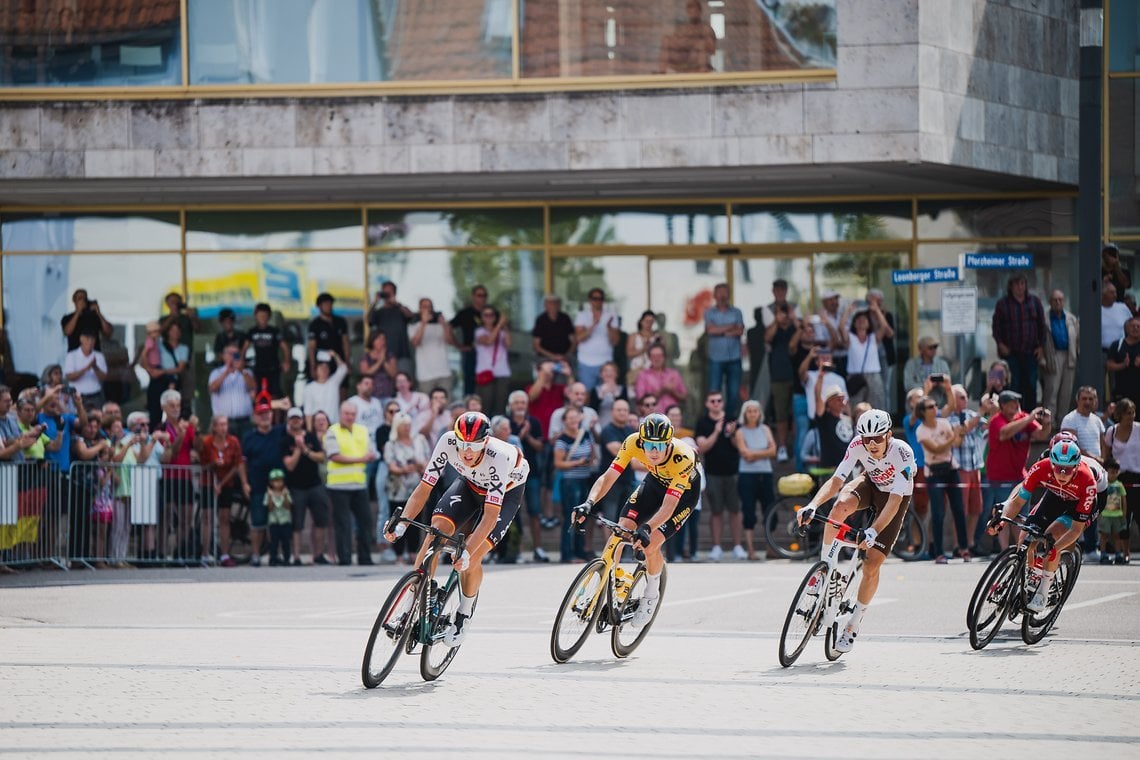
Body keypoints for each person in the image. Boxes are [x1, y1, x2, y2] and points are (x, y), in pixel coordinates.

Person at [384, 412, 531, 647]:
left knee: (472, 557)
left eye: (474, 446)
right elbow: (424, 488)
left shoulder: (500, 456)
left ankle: (464, 613)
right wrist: (403, 522)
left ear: (485, 442)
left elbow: (491, 516)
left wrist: (466, 552)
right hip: (469, 485)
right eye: (463, 445)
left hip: (506, 494)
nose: (467, 452)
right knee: (435, 532)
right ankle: (412, 602)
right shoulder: (446, 441)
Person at [795, 410, 916, 653]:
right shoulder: (858, 445)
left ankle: (854, 623)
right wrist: (812, 505)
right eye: (866, 439)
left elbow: (893, 502)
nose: (871, 444)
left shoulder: (902, 453)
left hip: (894, 498)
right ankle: (825, 570)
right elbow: (836, 481)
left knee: (871, 566)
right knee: (839, 507)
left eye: (877, 439)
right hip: (871, 483)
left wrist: (873, 530)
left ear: (889, 436)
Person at [570, 412, 701, 628]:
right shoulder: (632, 442)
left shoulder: (683, 456)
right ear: (642, 440)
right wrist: (589, 503)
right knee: (621, 531)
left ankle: (651, 595)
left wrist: (648, 528)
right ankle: (606, 582)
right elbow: (608, 477)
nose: (654, 451)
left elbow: (669, 505)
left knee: (650, 545)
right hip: (654, 484)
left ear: (670, 442)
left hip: (682, 496)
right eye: (649, 445)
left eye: (660, 445)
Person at [986, 440, 1098, 612]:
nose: (1061, 473)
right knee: (1024, 537)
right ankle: (1028, 576)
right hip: (1054, 498)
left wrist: (1056, 549)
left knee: (1051, 540)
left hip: (1074, 507)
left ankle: (1043, 592)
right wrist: (1002, 520)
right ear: (1051, 463)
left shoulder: (1088, 481)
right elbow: (1017, 502)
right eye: (1058, 467)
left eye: (1067, 469)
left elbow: (1076, 530)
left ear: (1076, 467)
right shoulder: (1041, 467)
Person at [985, 390, 1054, 550]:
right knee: (1004, 514)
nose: (1016, 406)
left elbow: (1041, 434)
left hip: (1020, 476)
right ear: (1002, 405)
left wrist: (1047, 422)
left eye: (1017, 402)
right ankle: (1003, 550)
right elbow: (1004, 433)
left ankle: (1019, 548)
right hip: (1000, 477)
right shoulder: (997, 420)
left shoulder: (1023, 417)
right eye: (1011, 403)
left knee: (1022, 516)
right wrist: (1029, 418)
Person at [915, 394, 970, 563]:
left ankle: (963, 548)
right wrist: (954, 436)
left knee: (959, 510)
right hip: (934, 472)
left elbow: (956, 444)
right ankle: (938, 552)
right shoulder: (921, 430)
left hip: (951, 468)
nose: (935, 408)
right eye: (930, 406)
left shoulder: (944, 423)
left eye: (935, 405)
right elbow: (936, 449)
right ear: (922, 412)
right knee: (938, 512)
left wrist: (960, 434)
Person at [325, 401, 378, 566]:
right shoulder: (332, 431)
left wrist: (370, 456)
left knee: (365, 522)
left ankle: (365, 557)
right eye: (346, 413)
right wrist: (362, 459)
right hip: (338, 486)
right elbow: (334, 456)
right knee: (343, 524)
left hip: (359, 484)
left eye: (352, 414)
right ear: (340, 414)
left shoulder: (362, 430)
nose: (349, 417)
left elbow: (371, 452)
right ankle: (345, 559)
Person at [695, 390, 743, 561]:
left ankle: (738, 546)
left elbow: (740, 446)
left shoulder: (732, 419)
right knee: (716, 512)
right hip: (713, 473)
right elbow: (702, 448)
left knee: (735, 510)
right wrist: (716, 431)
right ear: (707, 404)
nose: (716, 403)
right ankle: (716, 547)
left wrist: (731, 434)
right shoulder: (703, 423)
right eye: (712, 401)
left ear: (722, 402)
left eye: (719, 400)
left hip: (733, 472)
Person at [281, 406, 331, 565]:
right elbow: (289, 465)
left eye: (298, 418)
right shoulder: (284, 440)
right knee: (297, 523)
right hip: (295, 487)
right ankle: (296, 557)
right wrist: (298, 448)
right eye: (292, 419)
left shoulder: (310, 436)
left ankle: (318, 555)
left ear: (302, 420)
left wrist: (305, 449)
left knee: (321, 520)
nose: (296, 421)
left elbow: (321, 457)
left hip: (315, 484)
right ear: (288, 421)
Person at [241, 401, 287, 566]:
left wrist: (282, 406)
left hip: (279, 487)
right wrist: (245, 482)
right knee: (258, 523)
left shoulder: (280, 432)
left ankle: (278, 554)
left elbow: (295, 423)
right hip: (258, 484)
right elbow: (242, 462)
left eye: (267, 413)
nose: (265, 417)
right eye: (261, 414)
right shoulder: (249, 437)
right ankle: (256, 555)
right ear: (255, 417)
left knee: (279, 521)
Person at [196, 414, 244, 567]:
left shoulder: (233, 442)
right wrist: (214, 464)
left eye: (226, 424)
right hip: (207, 483)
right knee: (207, 518)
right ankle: (205, 554)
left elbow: (237, 464)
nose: (224, 428)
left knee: (224, 518)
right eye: (220, 425)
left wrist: (221, 484)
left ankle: (224, 554)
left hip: (226, 484)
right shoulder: (207, 442)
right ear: (214, 427)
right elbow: (202, 466)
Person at [383, 411, 431, 563]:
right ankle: (398, 554)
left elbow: (427, 460)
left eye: (409, 425)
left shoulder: (420, 440)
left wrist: (420, 466)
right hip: (398, 488)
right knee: (397, 519)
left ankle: (412, 552)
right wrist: (404, 469)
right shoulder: (391, 444)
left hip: (416, 485)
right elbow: (391, 465)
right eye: (403, 426)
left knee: (415, 520)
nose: (407, 428)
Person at [992, 274, 1046, 408]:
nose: (1020, 287)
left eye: (1022, 284)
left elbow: (1042, 325)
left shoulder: (1034, 302)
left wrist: (1041, 347)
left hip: (1031, 352)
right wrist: (1000, 344)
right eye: (1016, 284)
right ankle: (1014, 416)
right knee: (1014, 386)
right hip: (1011, 353)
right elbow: (996, 327)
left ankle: (1031, 418)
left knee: (1031, 385)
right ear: (1011, 286)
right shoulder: (1003, 304)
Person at [507, 390, 548, 562]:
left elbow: (540, 446)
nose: (520, 406)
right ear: (510, 405)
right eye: (516, 403)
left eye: (522, 403)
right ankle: (517, 550)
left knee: (534, 511)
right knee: (513, 512)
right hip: (511, 474)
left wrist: (528, 435)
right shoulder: (506, 423)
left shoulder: (534, 422)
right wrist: (520, 435)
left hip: (532, 473)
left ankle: (537, 548)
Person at [947, 384, 986, 555]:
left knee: (976, 508)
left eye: (965, 396)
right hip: (960, 468)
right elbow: (962, 430)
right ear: (953, 400)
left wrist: (992, 406)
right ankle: (958, 545)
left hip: (974, 466)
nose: (966, 400)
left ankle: (969, 543)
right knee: (959, 509)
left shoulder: (972, 415)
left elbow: (987, 426)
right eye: (962, 397)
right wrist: (981, 412)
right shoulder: (949, 418)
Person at [554, 406, 597, 562]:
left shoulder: (585, 434)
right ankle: (567, 554)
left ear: (580, 418)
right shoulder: (561, 440)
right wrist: (578, 462)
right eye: (570, 418)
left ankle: (580, 552)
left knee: (583, 517)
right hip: (570, 482)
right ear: (564, 421)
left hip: (585, 479)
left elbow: (593, 453)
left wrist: (590, 461)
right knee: (569, 517)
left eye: (575, 417)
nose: (573, 421)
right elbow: (558, 463)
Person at [734, 399, 775, 561]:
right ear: (745, 413)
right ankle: (750, 549)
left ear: (759, 413)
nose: (752, 414)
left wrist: (754, 454)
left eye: (755, 411)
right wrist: (763, 452)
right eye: (749, 411)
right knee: (748, 512)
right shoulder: (740, 432)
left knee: (770, 510)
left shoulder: (765, 429)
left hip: (765, 474)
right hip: (747, 475)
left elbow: (773, 451)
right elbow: (745, 454)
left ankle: (770, 547)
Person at [764, 303, 801, 463]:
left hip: (797, 376)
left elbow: (801, 337)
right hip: (779, 376)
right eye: (781, 312)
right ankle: (782, 446)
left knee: (797, 414)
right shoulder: (775, 328)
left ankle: (797, 447)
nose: (785, 315)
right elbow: (767, 338)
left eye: (786, 312)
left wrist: (795, 321)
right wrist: (776, 321)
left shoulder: (796, 327)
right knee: (781, 415)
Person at [704, 283, 745, 417]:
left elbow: (739, 331)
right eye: (719, 292)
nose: (722, 295)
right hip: (715, 358)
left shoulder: (737, 312)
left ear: (729, 294)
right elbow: (710, 330)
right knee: (714, 392)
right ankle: (713, 419)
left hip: (734, 358)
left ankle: (728, 420)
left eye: (725, 292)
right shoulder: (709, 312)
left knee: (733, 393)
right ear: (715, 295)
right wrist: (729, 327)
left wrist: (719, 330)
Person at [1041, 289, 1079, 419]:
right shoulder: (1044, 318)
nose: (1057, 302)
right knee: (1051, 391)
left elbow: (1078, 339)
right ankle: (1048, 424)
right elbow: (1039, 340)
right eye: (1054, 300)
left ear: (1064, 301)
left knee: (1066, 393)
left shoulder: (1071, 318)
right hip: (1052, 355)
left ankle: (1063, 422)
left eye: (1060, 300)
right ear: (1050, 302)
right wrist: (1042, 359)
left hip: (1069, 356)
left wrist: (1076, 354)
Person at [844, 307, 890, 411]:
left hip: (874, 376)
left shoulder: (873, 338)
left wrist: (877, 310)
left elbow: (884, 326)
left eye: (864, 320)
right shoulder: (851, 338)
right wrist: (848, 312)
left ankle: (878, 427)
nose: (861, 322)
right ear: (854, 323)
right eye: (858, 320)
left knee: (877, 406)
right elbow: (841, 328)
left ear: (869, 323)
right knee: (856, 406)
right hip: (855, 377)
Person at [574, 288, 620, 391]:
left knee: (606, 394)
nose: (598, 301)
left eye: (600, 298)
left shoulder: (611, 316)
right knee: (586, 394)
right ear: (590, 300)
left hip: (606, 362)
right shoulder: (582, 315)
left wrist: (608, 327)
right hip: (586, 362)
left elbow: (615, 341)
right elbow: (579, 338)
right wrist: (594, 324)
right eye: (595, 298)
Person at [242, 303, 291, 399]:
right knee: (259, 393)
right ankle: (262, 413)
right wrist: (241, 362)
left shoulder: (274, 331)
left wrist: (287, 362)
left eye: (265, 316)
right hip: (258, 367)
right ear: (256, 316)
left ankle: (276, 413)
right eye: (260, 316)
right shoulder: (252, 331)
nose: (262, 318)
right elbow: (244, 348)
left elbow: (285, 347)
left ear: (269, 317)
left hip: (273, 367)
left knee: (275, 393)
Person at [207, 345, 254, 440]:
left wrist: (241, 369)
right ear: (224, 356)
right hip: (223, 422)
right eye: (230, 354)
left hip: (244, 421)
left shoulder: (246, 372)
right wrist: (226, 373)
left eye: (235, 354)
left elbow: (253, 387)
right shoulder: (216, 373)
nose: (233, 357)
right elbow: (212, 389)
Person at [367, 281, 414, 376]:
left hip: (402, 354)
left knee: (405, 382)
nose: (387, 295)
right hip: (385, 355)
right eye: (385, 293)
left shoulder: (400, 309)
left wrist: (396, 303)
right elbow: (369, 320)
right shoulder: (379, 312)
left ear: (394, 293)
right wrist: (375, 302)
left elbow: (410, 316)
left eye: (390, 292)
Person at [658, 0, 717, 73]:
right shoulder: (682, 28)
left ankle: (702, 77)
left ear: (700, 11)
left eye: (695, 9)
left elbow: (712, 50)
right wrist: (683, 42)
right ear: (687, 12)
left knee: (701, 45)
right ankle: (662, 73)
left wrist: (696, 42)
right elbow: (674, 43)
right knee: (666, 40)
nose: (693, 12)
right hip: (682, 61)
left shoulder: (706, 29)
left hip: (698, 63)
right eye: (690, 10)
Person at [409, 297, 454, 392]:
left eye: (430, 306)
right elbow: (416, 342)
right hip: (425, 375)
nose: (428, 309)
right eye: (425, 306)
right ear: (420, 309)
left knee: (445, 405)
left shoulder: (440, 325)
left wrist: (444, 325)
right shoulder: (413, 325)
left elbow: (449, 342)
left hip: (444, 373)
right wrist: (424, 322)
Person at [450, 285, 489, 396]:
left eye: (485, 295)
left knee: (487, 388)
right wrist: (458, 346)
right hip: (471, 352)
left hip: (489, 355)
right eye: (480, 295)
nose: (482, 298)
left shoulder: (490, 313)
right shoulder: (465, 313)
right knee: (470, 386)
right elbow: (449, 327)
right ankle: (469, 412)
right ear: (473, 297)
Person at [474, 305, 512, 416]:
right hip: (485, 372)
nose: (489, 317)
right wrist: (500, 324)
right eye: (486, 315)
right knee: (485, 406)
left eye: (492, 315)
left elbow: (509, 344)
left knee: (500, 407)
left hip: (502, 372)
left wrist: (504, 326)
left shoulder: (502, 332)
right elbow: (489, 341)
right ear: (482, 317)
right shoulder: (479, 331)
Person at [634, 344, 688, 414]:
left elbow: (684, 397)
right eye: (653, 356)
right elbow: (640, 401)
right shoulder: (642, 376)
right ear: (649, 358)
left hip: (672, 418)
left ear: (664, 357)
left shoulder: (674, 374)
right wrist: (662, 391)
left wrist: (673, 392)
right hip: (652, 418)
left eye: (659, 356)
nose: (657, 359)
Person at [307, 292, 351, 377]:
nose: (328, 306)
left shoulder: (340, 322)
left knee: (342, 386)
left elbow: (345, 342)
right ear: (319, 306)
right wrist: (312, 366)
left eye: (330, 304)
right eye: (325, 304)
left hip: (339, 359)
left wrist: (347, 361)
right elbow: (312, 347)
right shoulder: (315, 324)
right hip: (323, 362)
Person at [302, 353, 348, 428]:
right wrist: (310, 432)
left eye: (326, 367)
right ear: (316, 370)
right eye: (321, 367)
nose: (324, 370)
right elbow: (308, 412)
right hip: (318, 427)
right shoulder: (309, 388)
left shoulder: (333, 382)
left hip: (334, 426)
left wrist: (335, 355)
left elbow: (343, 368)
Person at [63, 331, 108, 410]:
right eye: (87, 338)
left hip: (95, 396)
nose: (90, 342)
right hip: (76, 396)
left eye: (92, 339)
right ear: (81, 338)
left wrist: (95, 367)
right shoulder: (72, 355)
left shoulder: (99, 356)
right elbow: (70, 376)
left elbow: (104, 377)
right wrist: (87, 367)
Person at [903, 337, 952, 407]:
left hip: (939, 404)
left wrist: (940, 383)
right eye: (930, 347)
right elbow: (908, 385)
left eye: (935, 347)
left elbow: (948, 385)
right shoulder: (911, 364)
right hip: (916, 407)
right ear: (921, 349)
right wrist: (926, 385)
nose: (934, 350)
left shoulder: (942, 364)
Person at [532, 294, 577, 368]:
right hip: (545, 357)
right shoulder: (540, 320)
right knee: (545, 377)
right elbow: (536, 345)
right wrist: (552, 356)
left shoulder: (565, 318)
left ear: (559, 305)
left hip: (564, 357)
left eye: (555, 304)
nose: (553, 307)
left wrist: (566, 355)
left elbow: (573, 341)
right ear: (545, 306)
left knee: (565, 376)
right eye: (550, 304)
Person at [1099, 459, 1130, 565]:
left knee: (1117, 536)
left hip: (1117, 515)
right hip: (1105, 515)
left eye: (1115, 472)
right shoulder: (1103, 484)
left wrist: (1124, 514)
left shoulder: (1119, 485)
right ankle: (1103, 554)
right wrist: (1098, 514)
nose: (1113, 474)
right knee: (1104, 536)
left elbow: (1123, 500)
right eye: (1110, 472)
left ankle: (1118, 554)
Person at [262, 469, 293, 566]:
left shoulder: (286, 492)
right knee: (273, 542)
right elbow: (270, 508)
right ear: (271, 482)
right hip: (274, 521)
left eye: (280, 480)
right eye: (275, 481)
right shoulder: (268, 494)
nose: (278, 483)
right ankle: (273, 558)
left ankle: (286, 559)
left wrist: (284, 495)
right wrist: (271, 496)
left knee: (286, 542)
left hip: (285, 521)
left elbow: (288, 506)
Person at [1107, 317, 1140, 403]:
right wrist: (1123, 365)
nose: (1135, 328)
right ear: (1127, 329)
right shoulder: (1117, 345)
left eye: (1138, 326)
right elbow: (1109, 365)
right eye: (1133, 326)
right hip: (1121, 391)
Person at [588, 362, 628, 432]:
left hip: (619, 425)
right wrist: (601, 395)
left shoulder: (622, 389)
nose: (608, 373)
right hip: (601, 424)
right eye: (605, 371)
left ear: (616, 374)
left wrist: (615, 394)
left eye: (611, 371)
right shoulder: (595, 390)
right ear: (601, 374)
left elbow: (625, 407)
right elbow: (592, 410)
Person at [625, 310, 662, 387]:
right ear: (641, 322)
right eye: (647, 321)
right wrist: (644, 349)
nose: (649, 324)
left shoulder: (657, 337)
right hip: (637, 370)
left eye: (651, 322)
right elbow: (629, 353)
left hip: (653, 371)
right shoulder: (634, 336)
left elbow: (662, 354)